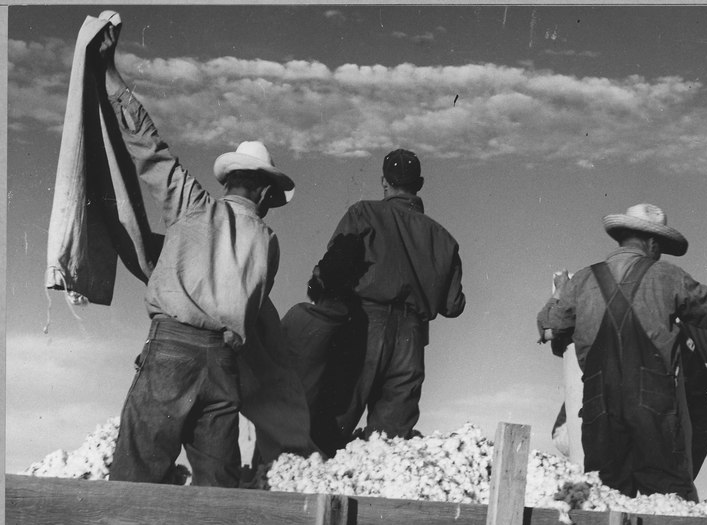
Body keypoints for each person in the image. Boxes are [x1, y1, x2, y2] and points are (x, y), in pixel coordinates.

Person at [98, 21, 300, 487]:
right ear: (265, 193)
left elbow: (146, 146)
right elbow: (254, 304)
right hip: (223, 365)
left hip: (172, 350)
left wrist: (109, 74)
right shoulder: (267, 242)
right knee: (219, 486)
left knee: (137, 473)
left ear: (228, 181)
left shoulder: (193, 206)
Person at [537, 203, 707, 501]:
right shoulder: (668, 275)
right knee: (665, 493)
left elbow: (550, 330)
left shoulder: (582, 281)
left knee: (607, 491)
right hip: (653, 400)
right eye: (660, 247)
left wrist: (560, 290)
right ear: (652, 243)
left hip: (599, 402)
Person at [300, 149, 466, 455]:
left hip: (362, 328)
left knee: (327, 430)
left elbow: (329, 272)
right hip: (411, 340)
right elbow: (453, 306)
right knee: (389, 448)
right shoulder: (444, 238)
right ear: (421, 183)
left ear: (383, 182)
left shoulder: (363, 213)